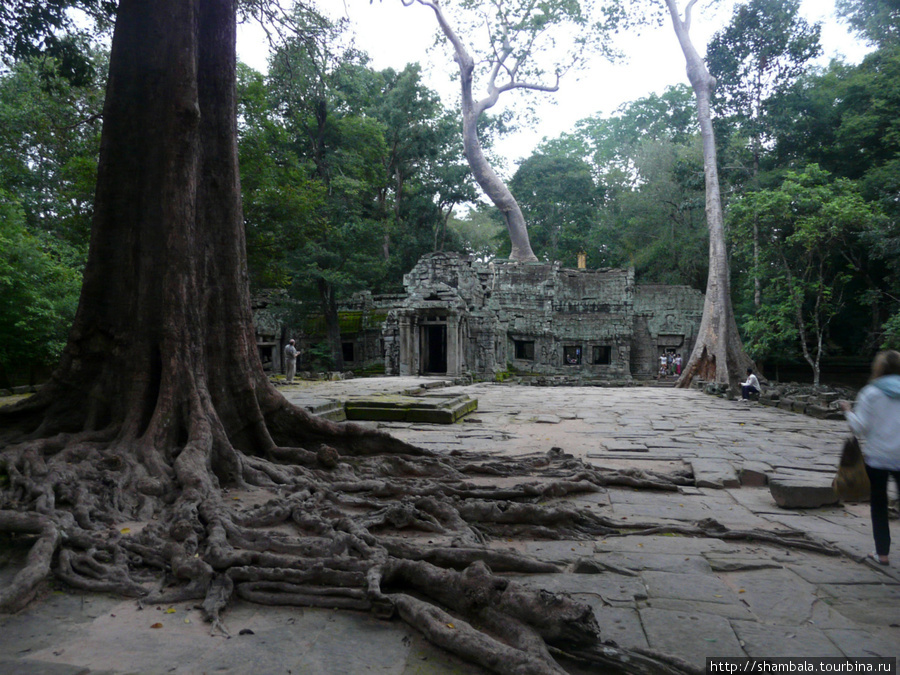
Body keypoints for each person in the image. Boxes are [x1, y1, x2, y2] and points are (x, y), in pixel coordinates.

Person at [840, 350, 900, 566]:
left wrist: (848, 411)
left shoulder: (871, 392)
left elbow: (859, 427)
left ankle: (882, 553)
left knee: (879, 504)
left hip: (878, 458)